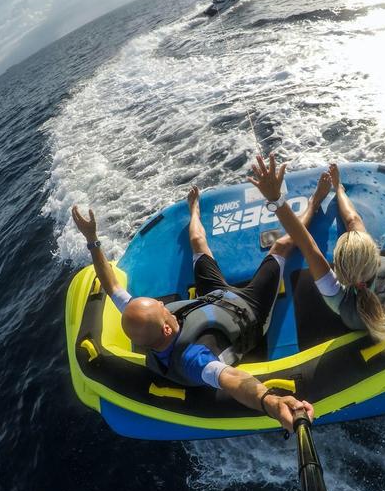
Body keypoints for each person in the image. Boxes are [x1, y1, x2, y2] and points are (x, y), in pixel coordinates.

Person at [70, 179, 331, 431]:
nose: (164, 304)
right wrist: (271, 402)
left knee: (198, 243)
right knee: (282, 246)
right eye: (161, 308)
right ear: (167, 330)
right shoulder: (194, 360)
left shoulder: (144, 321)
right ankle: (315, 202)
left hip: (211, 299)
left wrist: (92, 239)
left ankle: (194, 209)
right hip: (250, 310)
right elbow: (234, 381)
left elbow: (112, 286)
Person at [247, 101, 385, 342]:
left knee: (353, 221)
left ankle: (339, 188)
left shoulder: (335, 294)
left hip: (365, 297)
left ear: (338, 269)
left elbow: (306, 242)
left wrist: (276, 200)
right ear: (376, 253)